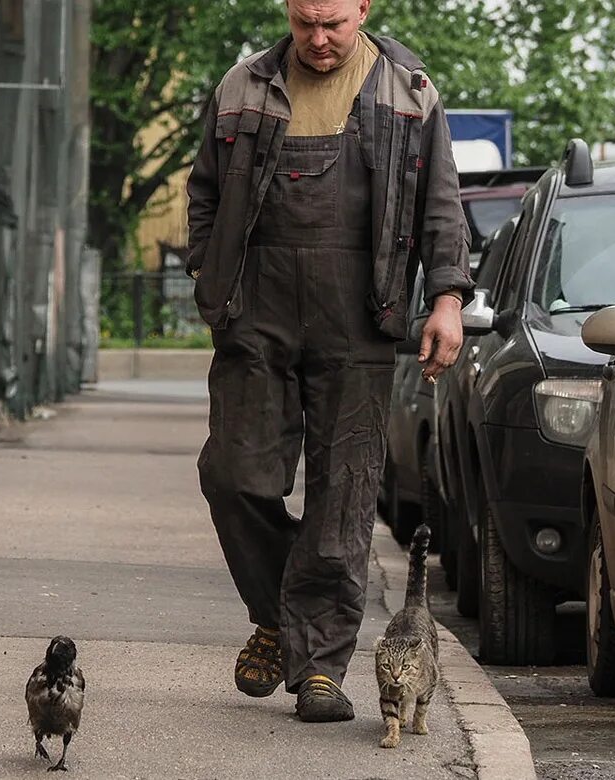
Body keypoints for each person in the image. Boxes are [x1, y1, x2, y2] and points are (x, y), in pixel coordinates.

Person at [186, 0, 472, 723]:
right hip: (258, 311)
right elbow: (205, 193)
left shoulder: (408, 91)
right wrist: (208, 276)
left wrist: (446, 301)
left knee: (344, 495)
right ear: (288, 10)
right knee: (232, 476)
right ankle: (283, 614)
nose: (318, 39)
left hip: (361, 315)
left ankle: (320, 665)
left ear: (363, 10)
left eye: (333, 25)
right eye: (305, 22)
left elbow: (440, 203)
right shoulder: (242, 86)